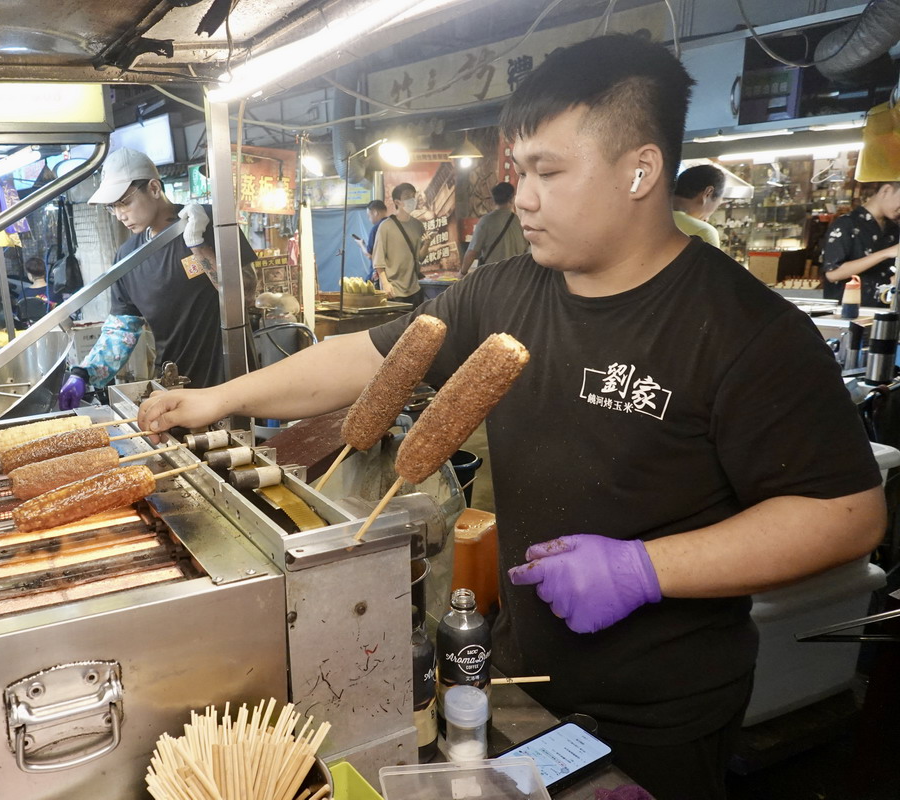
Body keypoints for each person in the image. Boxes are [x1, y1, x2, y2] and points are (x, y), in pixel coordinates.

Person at [136, 34, 884, 800]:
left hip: (661, 713)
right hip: (515, 671)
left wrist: (644, 569)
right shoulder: (507, 291)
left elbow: (848, 514)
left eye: (549, 172)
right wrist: (219, 399)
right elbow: (368, 359)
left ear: (641, 170)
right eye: (519, 171)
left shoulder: (743, 329)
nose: (522, 197)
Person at [58, 148, 258, 409]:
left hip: (233, 380)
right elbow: (122, 328)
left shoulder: (210, 223)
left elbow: (246, 295)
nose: (120, 215)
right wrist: (83, 373)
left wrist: (198, 244)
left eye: (124, 202)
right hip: (175, 386)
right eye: (112, 207)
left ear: (153, 188)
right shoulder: (128, 257)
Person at [821, 181, 900, 306]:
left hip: (884, 311)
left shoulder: (893, 229)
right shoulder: (846, 224)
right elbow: (833, 273)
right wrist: (885, 254)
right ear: (886, 190)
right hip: (849, 314)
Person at [372, 182, 428, 307]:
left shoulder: (418, 225)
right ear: (397, 202)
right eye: (407, 196)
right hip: (394, 290)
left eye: (413, 196)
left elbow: (420, 257)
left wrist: (427, 243)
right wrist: (385, 284)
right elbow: (378, 260)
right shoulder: (385, 226)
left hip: (414, 288)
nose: (412, 200)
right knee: (396, 325)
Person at [458, 182, 527, 276]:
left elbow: (472, 252)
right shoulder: (521, 221)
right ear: (512, 199)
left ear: (493, 200)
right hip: (517, 275)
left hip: (491, 277)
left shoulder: (485, 222)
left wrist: (463, 272)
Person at [672, 164, 726, 247]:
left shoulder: (650, 217)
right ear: (708, 193)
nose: (708, 217)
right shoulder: (703, 232)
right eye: (717, 205)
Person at [13, 256, 58, 325]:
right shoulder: (55, 291)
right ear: (45, 272)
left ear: (30, 275)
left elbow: (19, 316)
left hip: (32, 331)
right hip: (53, 327)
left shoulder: (24, 294)